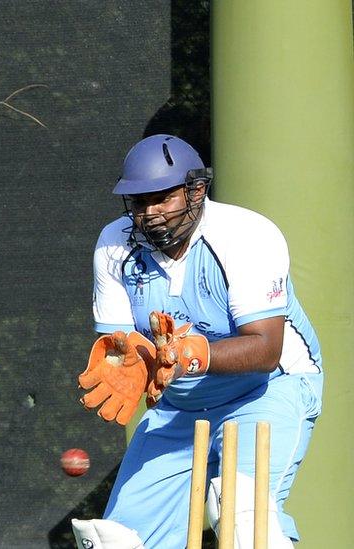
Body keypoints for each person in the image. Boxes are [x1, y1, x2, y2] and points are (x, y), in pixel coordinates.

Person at [72, 135, 322, 548]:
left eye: (162, 198)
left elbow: (265, 350)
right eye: (138, 202)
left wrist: (191, 354)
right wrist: (133, 360)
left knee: (244, 519)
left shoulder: (246, 234)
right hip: (180, 406)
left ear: (197, 190)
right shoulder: (114, 243)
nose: (150, 213)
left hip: (267, 390)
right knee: (118, 540)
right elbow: (124, 343)